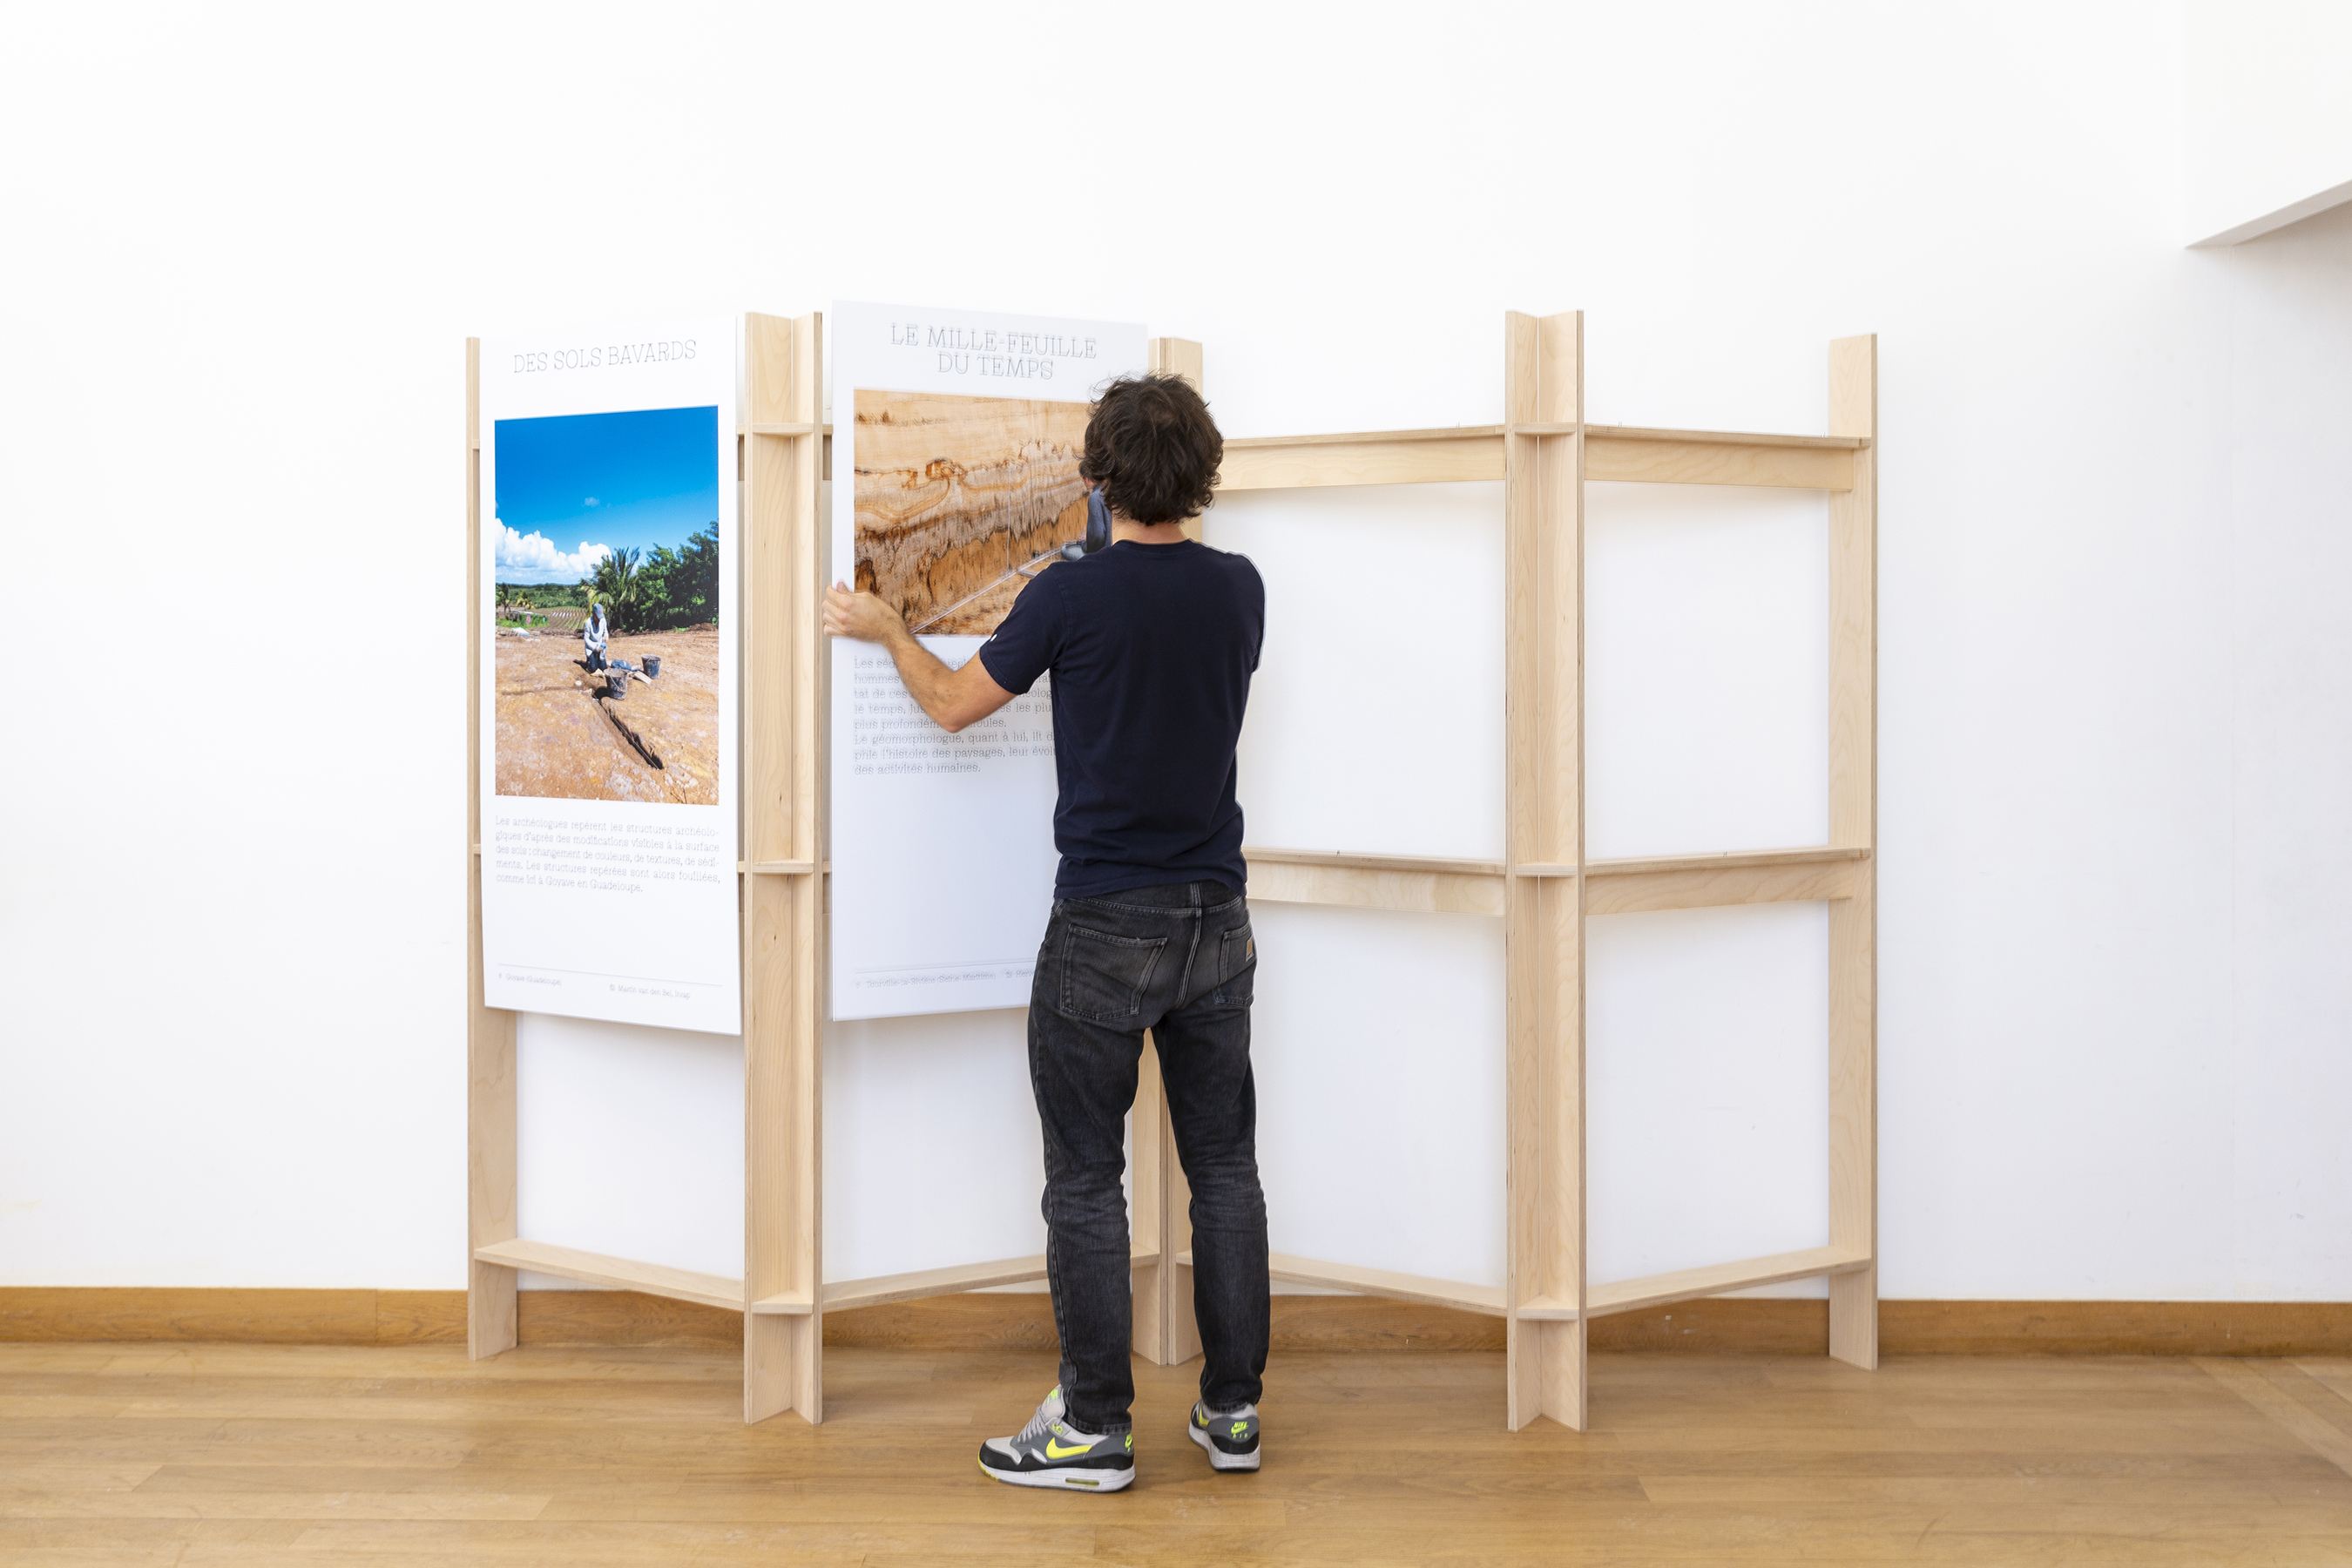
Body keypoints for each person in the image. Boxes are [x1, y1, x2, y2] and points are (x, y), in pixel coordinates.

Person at [823, 373, 1267, 1494]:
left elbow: (952, 705)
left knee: (1084, 1180)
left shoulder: (1071, 596)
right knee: (1223, 1169)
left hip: (1107, 921)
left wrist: (886, 626)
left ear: (1098, 476)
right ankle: (1233, 1415)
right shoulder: (1240, 589)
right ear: (1203, 475)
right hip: (1218, 917)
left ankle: (1094, 1431)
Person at [582, 601, 609, 672]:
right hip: (591, 647)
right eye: (597, 617)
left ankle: (597, 660)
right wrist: (594, 648)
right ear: (593, 614)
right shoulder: (588, 623)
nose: (599, 619)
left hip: (600, 647)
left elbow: (605, 631)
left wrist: (606, 636)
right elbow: (586, 639)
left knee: (604, 669)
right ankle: (590, 662)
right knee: (594, 668)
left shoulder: (603, 620)